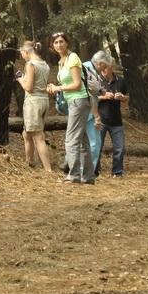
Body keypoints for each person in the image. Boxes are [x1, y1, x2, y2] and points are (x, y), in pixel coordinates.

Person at [46, 32, 96, 185]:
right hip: (74, 102)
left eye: (61, 42)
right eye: (56, 43)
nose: (59, 45)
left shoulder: (73, 58)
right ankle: (88, 177)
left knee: (71, 140)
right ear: (52, 46)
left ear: (67, 43)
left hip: (79, 100)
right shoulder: (62, 60)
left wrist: (58, 88)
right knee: (82, 140)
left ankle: (73, 175)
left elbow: (77, 84)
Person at [15, 41, 53, 172]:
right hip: (44, 100)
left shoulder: (30, 64)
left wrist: (20, 80)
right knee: (27, 133)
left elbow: (29, 88)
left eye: (22, 54)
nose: (23, 57)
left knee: (38, 136)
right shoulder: (44, 64)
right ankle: (29, 163)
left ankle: (48, 169)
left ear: (26, 51)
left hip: (33, 102)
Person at [91, 50, 128, 178]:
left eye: (107, 68)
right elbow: (91, 97)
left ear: (111, 67)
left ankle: (117, 172)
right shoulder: (97, 79)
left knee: (120, 148)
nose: (104, 70)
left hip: (116, 120)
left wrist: (121, 97)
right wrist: (104, 97)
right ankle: (94, 172)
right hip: (101, 118)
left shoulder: (120, 80)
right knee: (97, 147)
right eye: (103, 68)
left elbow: (127, 99)